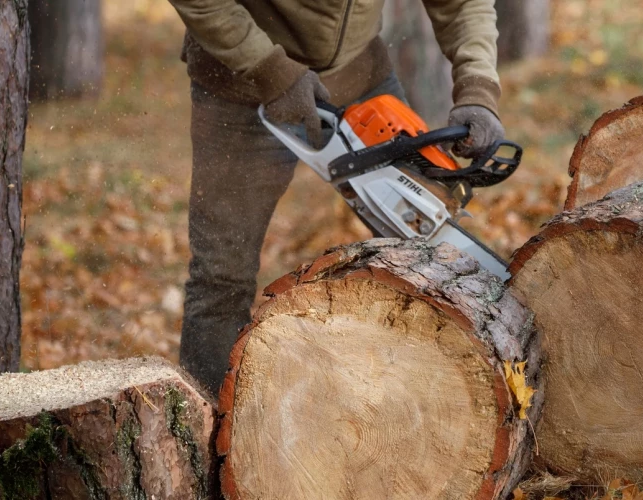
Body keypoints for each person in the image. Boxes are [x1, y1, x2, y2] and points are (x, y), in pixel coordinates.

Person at [167, 0, 506, 392]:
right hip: (241, 83)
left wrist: (478, 88)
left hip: (359, 77)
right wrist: (270, 70)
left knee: (431, 243)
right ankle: (205, 426)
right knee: (221, 276)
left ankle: (448, 398)